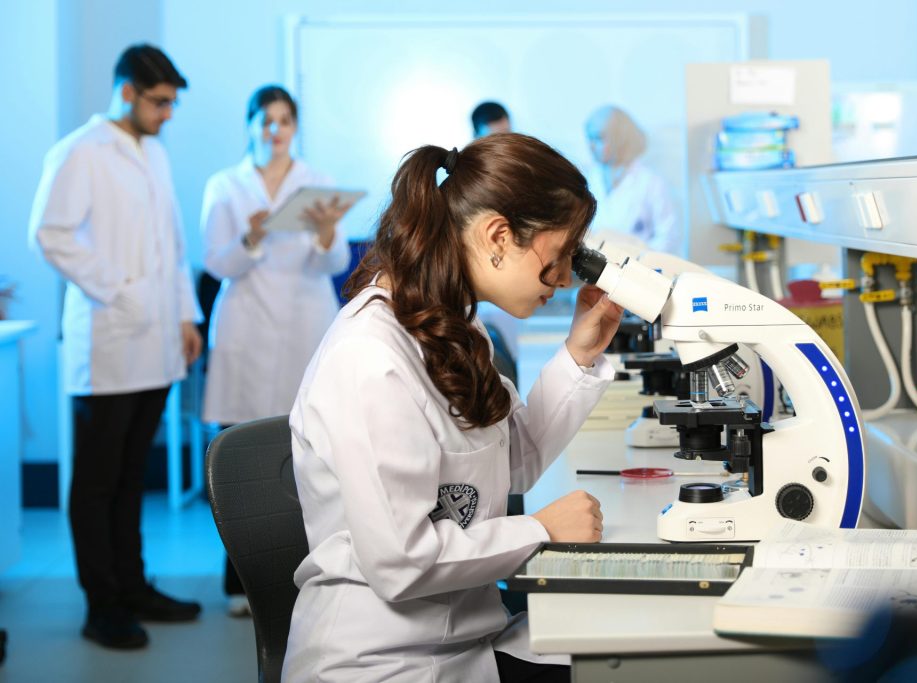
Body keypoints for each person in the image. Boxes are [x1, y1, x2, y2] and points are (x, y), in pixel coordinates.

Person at [281, 133, 624, 682]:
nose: (562, 280)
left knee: (622, 652)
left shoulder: (456, 326)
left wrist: (581, 353)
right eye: (558, 258)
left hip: (464, 636)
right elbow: (400, 561)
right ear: (498, 235)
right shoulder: (371, 356)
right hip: (382, 661)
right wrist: (539, 531)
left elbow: (511, 460)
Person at [28, 44, 203, 650]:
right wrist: (118, 288)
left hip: (155, 341)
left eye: (172, 103)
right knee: (98, 481)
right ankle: (101, 604)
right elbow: (47, 234)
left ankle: (134, 585)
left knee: (133, 478)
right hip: (107, 341)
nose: (167, 113)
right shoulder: (80, 151)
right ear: (126, 91)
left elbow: (173, 246)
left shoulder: (152, 152)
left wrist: (185, 314)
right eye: (160, 102)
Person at [200, 85, 353, 616]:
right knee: (241, 455)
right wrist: (250, 240)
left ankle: (304, 572)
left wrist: (328, 234)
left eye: (285, 120)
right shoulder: (225, 185)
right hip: (245, 324)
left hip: (302, 322)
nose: (275, 130)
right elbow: (216, 265)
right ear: (250, 125)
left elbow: (334, 267)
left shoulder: (317, 184)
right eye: (265, 120)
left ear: (294, 127)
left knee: (305, 451)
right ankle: (240, 582)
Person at [584, 105, 679, 253]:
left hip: (636, 270)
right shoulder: (588, 179)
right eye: (590, 139)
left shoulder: (650, 183)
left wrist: (639, 259)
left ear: (619, 139)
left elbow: (667, 238)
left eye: (599, 138)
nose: (591, 146)